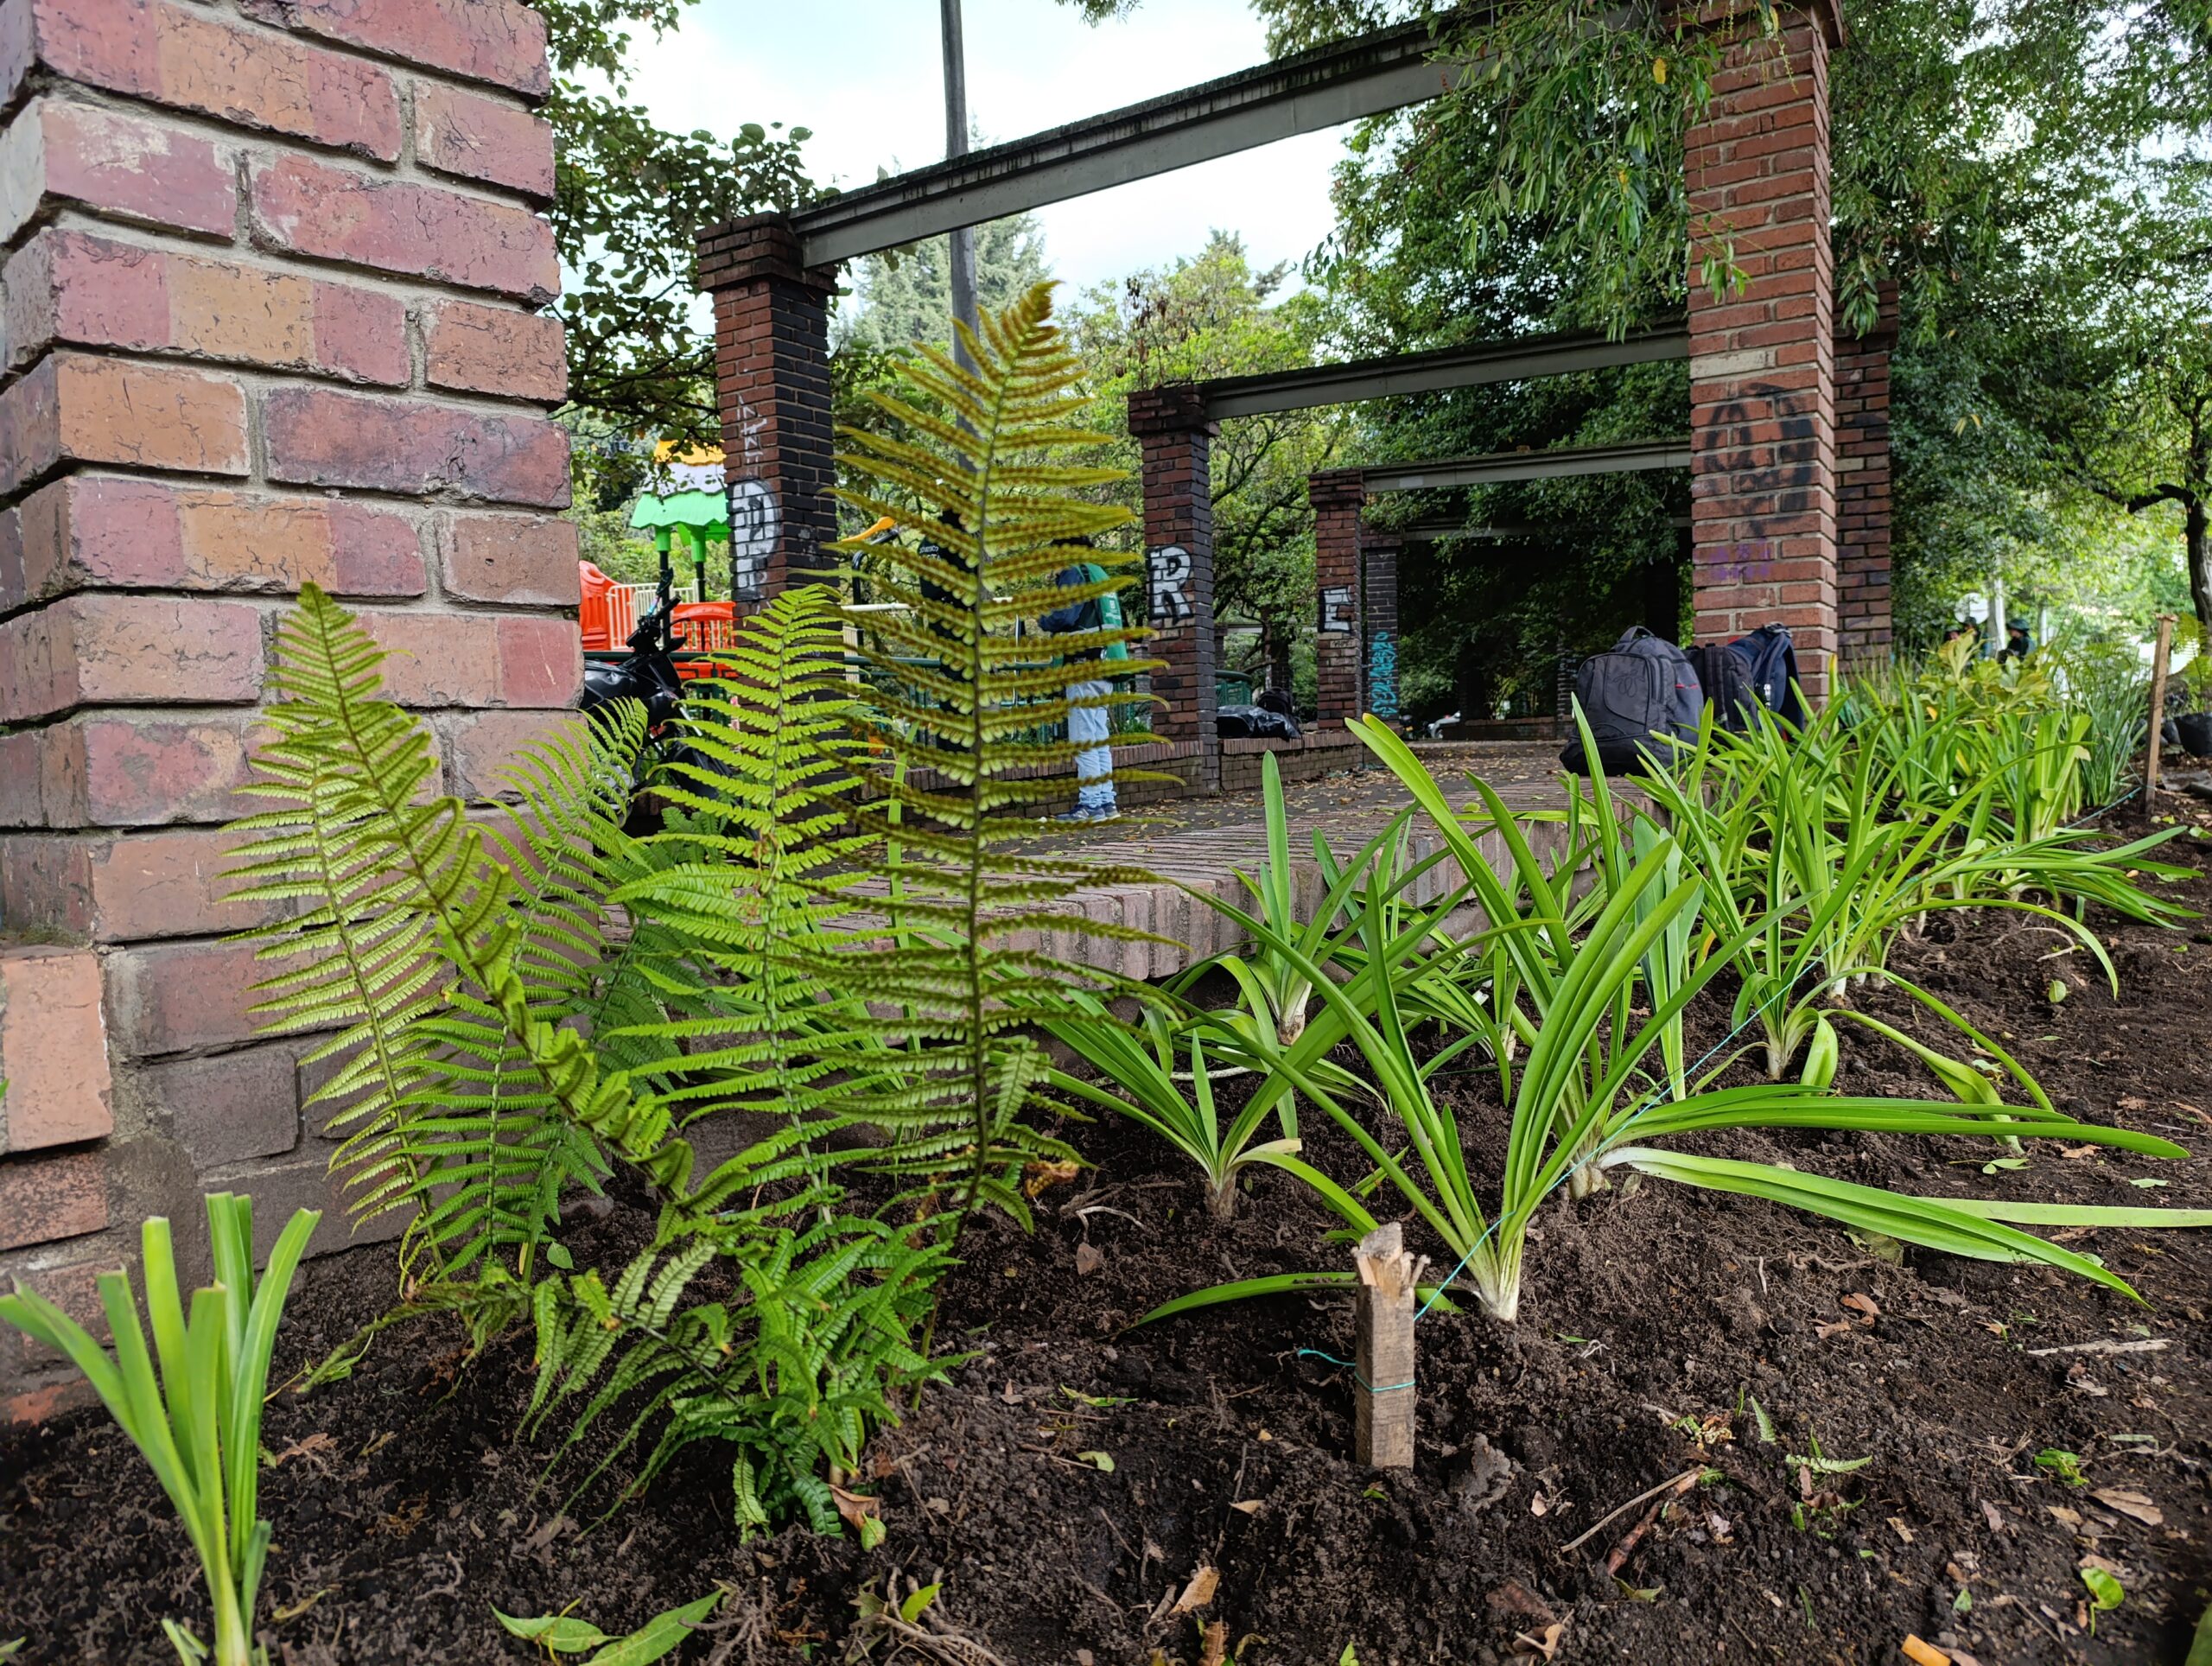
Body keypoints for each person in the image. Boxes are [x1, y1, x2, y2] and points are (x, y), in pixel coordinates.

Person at [1039, 543, 1126, 823]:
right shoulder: (1099, 573)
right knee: (1098, 738)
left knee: (1084, 740)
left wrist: (1043, 618)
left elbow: (1066, 616)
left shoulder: (1074, 572)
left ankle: (1090, 806)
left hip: (1083, 667)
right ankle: (1106, 802)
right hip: (1105, 665)